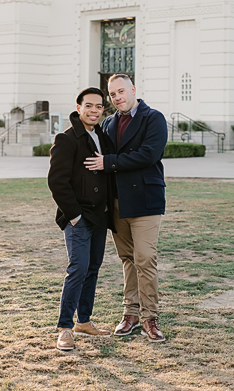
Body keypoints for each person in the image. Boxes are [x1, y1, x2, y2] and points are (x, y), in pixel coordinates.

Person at [84, 74, 168, 342]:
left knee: (145, 258)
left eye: (121, 91)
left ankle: (150, 317)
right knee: (128, 260)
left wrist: (108, 162)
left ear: (133, 89)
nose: (117, 97)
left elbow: (148, 154)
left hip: (145, 201)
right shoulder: (109, 123)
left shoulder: (153, 118)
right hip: (117, 203)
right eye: (112, 94)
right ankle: (130, 314)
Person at [47, 87, 116, 352]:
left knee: (93, 268)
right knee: (78, 268)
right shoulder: (66, 139)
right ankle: (65, 328)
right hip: (79, 217)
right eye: (89, 106)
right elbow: (57, 181)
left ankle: (84, 321)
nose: (94, 111)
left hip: (100, 216)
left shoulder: (102, 136)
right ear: (79, 108)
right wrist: (74, 215)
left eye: (99, 106)